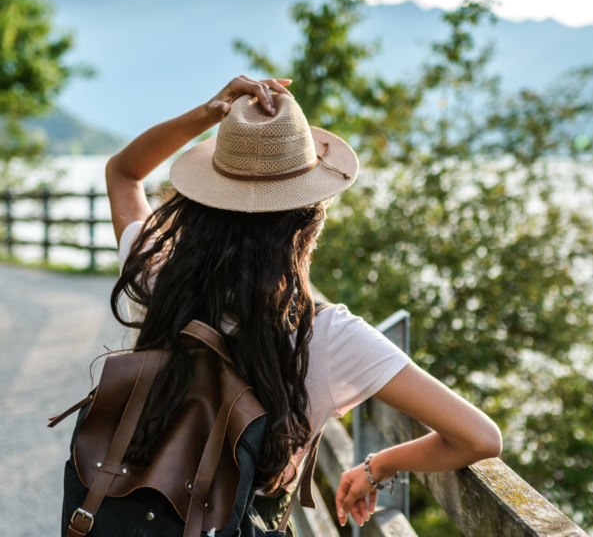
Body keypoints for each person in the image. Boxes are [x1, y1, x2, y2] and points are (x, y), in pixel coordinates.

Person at [106, 75, 502, 533]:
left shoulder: (156, 274)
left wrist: (210, 111)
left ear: (202, 201)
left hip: (142, 515)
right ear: (308, 219)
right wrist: (379, 466)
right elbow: (478, 437)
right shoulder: (330, 335)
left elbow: (123, 171)